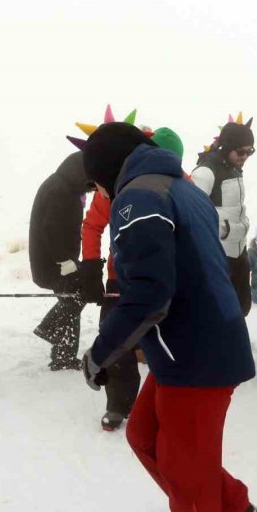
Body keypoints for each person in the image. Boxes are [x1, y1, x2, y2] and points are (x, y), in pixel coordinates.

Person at [80, 122, 257, 512]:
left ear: (106, 171)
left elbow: (149, 295)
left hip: (197, 354)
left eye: (95, 181)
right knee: (143, 435)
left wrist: (102, 352)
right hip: (186, 347)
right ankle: (232, 505)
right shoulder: (179, 186)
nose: (98, 191)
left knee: (185, 472)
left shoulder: (138, 198)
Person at [78, 127, 185, 430]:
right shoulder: (116, 187)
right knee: (116, 332)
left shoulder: (180, 185)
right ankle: (118, 403)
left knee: (166, 343)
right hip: (121, 275)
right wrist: (90, 264)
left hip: (170, 280)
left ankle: (165, 405)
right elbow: (92, 226)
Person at [29, 151, 92, 370]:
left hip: (57, 258)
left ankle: (63, 355)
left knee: (71, 295)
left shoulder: (64, 185)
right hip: (53, 261)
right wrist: (64, 261)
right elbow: (51, 228)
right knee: (76, 296)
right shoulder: (60, 191)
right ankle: (49, 328)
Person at [191, 117, 255, 315]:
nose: (245, 156)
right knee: (215, 309)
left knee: (241, 306)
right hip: (216, 253)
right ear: (227, 147)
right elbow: (193, 215)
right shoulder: (206, 171)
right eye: (241, 151)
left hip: (237, 250)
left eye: (250, 151)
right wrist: (226, 230)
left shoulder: (234, 168)